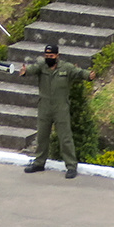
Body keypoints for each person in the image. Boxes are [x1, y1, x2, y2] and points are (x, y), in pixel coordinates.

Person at [20, 44, 95, 179]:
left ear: (57, 56)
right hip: (45, 107)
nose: (49, 58)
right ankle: (39, 162)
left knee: (65, 137)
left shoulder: (65, 67)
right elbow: (31, 69)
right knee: (42, 136)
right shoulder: (41, 66)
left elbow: (78, 72)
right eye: (47, 56)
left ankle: (71, 166)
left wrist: (88, 75)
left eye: (51, 56)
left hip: (61, 108)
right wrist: (25, 71)